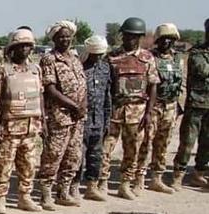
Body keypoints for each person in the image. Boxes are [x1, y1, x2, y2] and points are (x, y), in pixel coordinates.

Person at [99, 17, 159, 200]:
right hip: (115, 110)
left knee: (132, 149)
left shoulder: (147, 58)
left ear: (140, 37)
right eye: (126, 35)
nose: (129, 39)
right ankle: (102, 182)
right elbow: (105, 86)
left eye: (134, 36)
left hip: (137, 111)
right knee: (105, 148)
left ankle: (125, 183)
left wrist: (148, 113)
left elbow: (153, 85)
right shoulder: (112, 57)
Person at [0, 28, 45, 214]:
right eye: (20, 46)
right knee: (3, 164)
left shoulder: (36, 70)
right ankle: (0, 199)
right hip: (10, 127)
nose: (24, 50)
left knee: (29, 165)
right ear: (13, 48)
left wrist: (43, 120)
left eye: (28, 46)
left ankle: (25, 197)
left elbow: (40, 95)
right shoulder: (3, 71)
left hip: (31, 126)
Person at [37, 20, 86, 210]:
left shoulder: (75, 59)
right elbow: (50, 89)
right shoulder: (49, 59)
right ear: (54, 39)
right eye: (61, 37)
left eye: (68, 36)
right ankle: (46, 194)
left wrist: (82, 107)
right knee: (53, 155)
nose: (65, 39)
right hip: (59, 117)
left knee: (73, 156)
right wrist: (73, 105)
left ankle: (63, 192)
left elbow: (83, 86)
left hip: (77, 117)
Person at [141, 23, 182, 194]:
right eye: (163, 38)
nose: (167, 42)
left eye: (170, 39)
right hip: (154, 106)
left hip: (171, 106)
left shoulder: (177, 58)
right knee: (145, 142)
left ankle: (156, 178)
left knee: (163, 144)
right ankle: (139, 178)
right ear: (158, 40)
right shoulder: (149, 57)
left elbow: (181, 82)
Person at [172, 18, 209, 189]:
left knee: (207, 142)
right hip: (196, 105)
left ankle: (199, 173)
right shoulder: (197, 53)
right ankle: (178, 175)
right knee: (188, 141)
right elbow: (202, 70)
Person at [77, 35, 112, 201]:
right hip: (81, 120)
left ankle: (92, 187)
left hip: (98, 120)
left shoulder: (105, 69)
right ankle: (73, 187)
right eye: (95, 54)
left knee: (96, 155)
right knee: (78, 155)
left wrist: (107, 120)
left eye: (101, 54)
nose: (98, 58)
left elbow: (107, 97)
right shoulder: (80, 69)